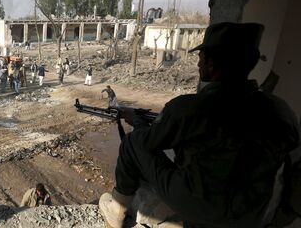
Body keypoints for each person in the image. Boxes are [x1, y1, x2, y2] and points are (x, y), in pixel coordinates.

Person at [98, 22, 300, 228]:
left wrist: (139, 124)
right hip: (252, 214)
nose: (198, 65)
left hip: (199, 206)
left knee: (133, 142)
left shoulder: (188, 108)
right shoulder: (279, 110)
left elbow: (150, 143)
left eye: (201, 59)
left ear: (212, 64)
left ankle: (117, 210)